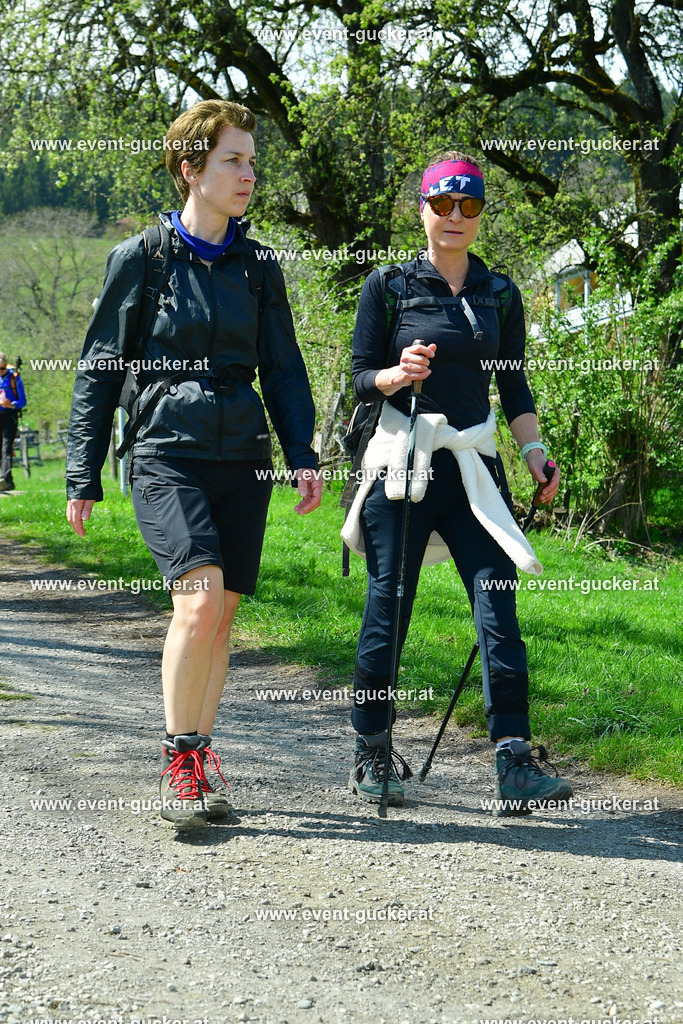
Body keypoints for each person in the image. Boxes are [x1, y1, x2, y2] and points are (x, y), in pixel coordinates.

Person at [66, 100, 322, 830]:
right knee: (199, 600)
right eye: (232, 161)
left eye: (251, 162)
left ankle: (202, 749)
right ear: (190, 170)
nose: (248, 175)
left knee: (223, 615)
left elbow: (284, 368)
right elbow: (98, 369)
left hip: (242, 453)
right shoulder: (141, 258)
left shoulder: (259, 265)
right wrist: (81, 473)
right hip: (163, 452)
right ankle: (179, 758)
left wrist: (302, 455)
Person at [342, 152, 573, 815]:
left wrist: (532, 451)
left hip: (474, 469)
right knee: (389, 607)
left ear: (478, 214)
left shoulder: (498, 293)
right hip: (402, 468)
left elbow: (515, 384)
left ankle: (514, 761)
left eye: (467, 206)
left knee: (498, 611)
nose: (453, 217)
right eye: (441, 204)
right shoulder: (387, 287)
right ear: (421, 208)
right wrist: (394, 375)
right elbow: (360, 376)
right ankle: (371, 751)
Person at [0, 354, 27, 491]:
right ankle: (7, 481)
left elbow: (23, 401)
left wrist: (12, 405)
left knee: (6, 448)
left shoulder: (14, 378)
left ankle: (4, 478)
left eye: (3, 368)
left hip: (9, 416)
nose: (1, 371)